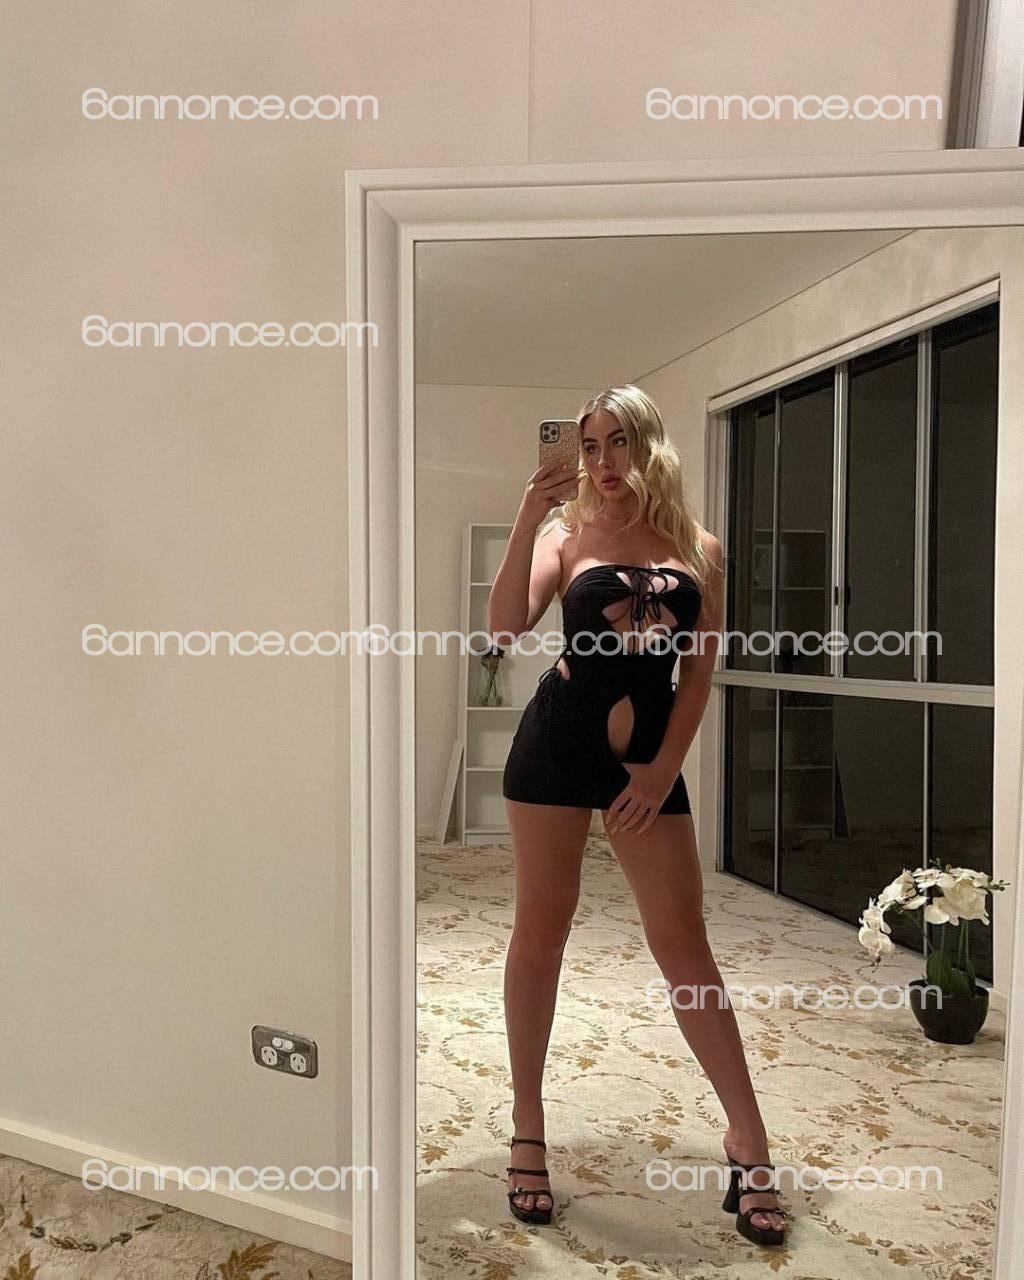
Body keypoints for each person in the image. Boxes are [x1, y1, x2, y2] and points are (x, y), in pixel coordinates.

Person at [487, 385, 788, 1246]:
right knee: (541, 930)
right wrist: (527, 515)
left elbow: (699, 670)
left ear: (649, 444)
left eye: (617, 442)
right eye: (589, 445)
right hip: (555, 748)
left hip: (648, 764)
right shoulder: (564, 535)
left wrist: (662, 770)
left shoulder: (699, 547)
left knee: (684, 944)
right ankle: (529, 1127)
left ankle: (749, 1140)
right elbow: (504, 629)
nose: (602, 460)